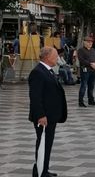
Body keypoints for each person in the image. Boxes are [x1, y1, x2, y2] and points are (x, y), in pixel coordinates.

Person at [28, 46, 68, 177]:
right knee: (43, 143)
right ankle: (39, 171)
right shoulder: (38, 72)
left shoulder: (48, 71)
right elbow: (35, 97)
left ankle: (43, 169)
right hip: (44, 117)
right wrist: (40, 115)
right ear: (47, 57)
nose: (57, 58)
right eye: (55, 55)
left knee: (47, 144)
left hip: (51, 116)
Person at [77, 36, 95, 107]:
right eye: (88, 42)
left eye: (91, 42)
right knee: (84, 85)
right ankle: (81, 101)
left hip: (93, 70)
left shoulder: (93, 50)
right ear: (84, 42)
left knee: (91, 86)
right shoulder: (81, 50)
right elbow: (81, 60)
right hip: (85, 70)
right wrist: (90, 64)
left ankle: (91, 100)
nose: (90, 43)